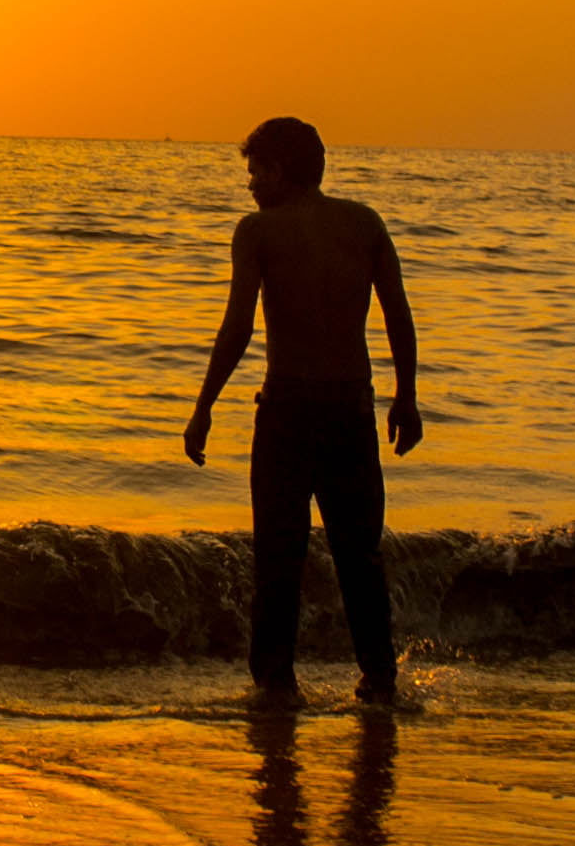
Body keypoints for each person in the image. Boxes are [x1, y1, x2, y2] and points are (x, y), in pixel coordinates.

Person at [181, 117, 423, 703]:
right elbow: (398, 315)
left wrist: (203, 406)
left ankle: (278, 686)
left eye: (256, 173)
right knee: (360, 554)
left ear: (279, 170)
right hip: (351, 410)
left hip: (288, 411)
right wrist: (406, 398)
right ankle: (380, 678)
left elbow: (238, 326)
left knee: (278, 555)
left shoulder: (258, 232)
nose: (251, 186)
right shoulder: (364, 224)